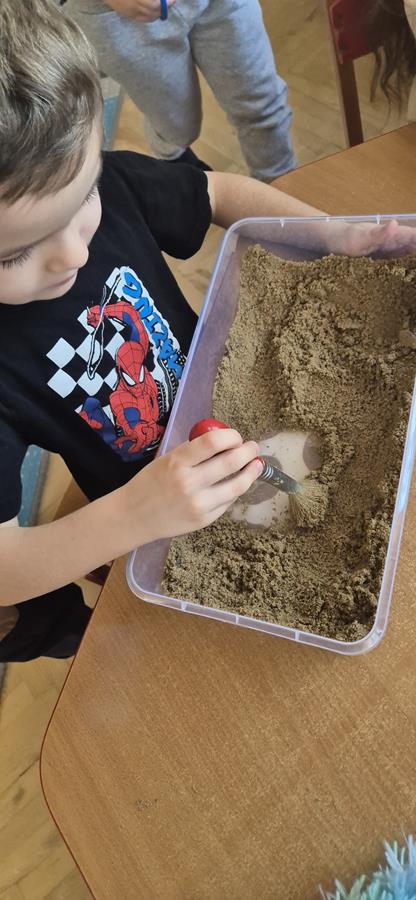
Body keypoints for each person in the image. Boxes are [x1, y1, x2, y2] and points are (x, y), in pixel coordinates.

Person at [1, 0, 415, 663]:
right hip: (153, 506)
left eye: (85, 200)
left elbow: (216, 192)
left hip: (220, 395)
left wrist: (330, 234)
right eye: (15, 254)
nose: (74, 253)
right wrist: (139, 514)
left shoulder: (90, 179)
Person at [64, 0, 296, 181]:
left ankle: (281, 187)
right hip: (112, 19)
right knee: (176, 128)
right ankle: (177, 166)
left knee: (262, 104)